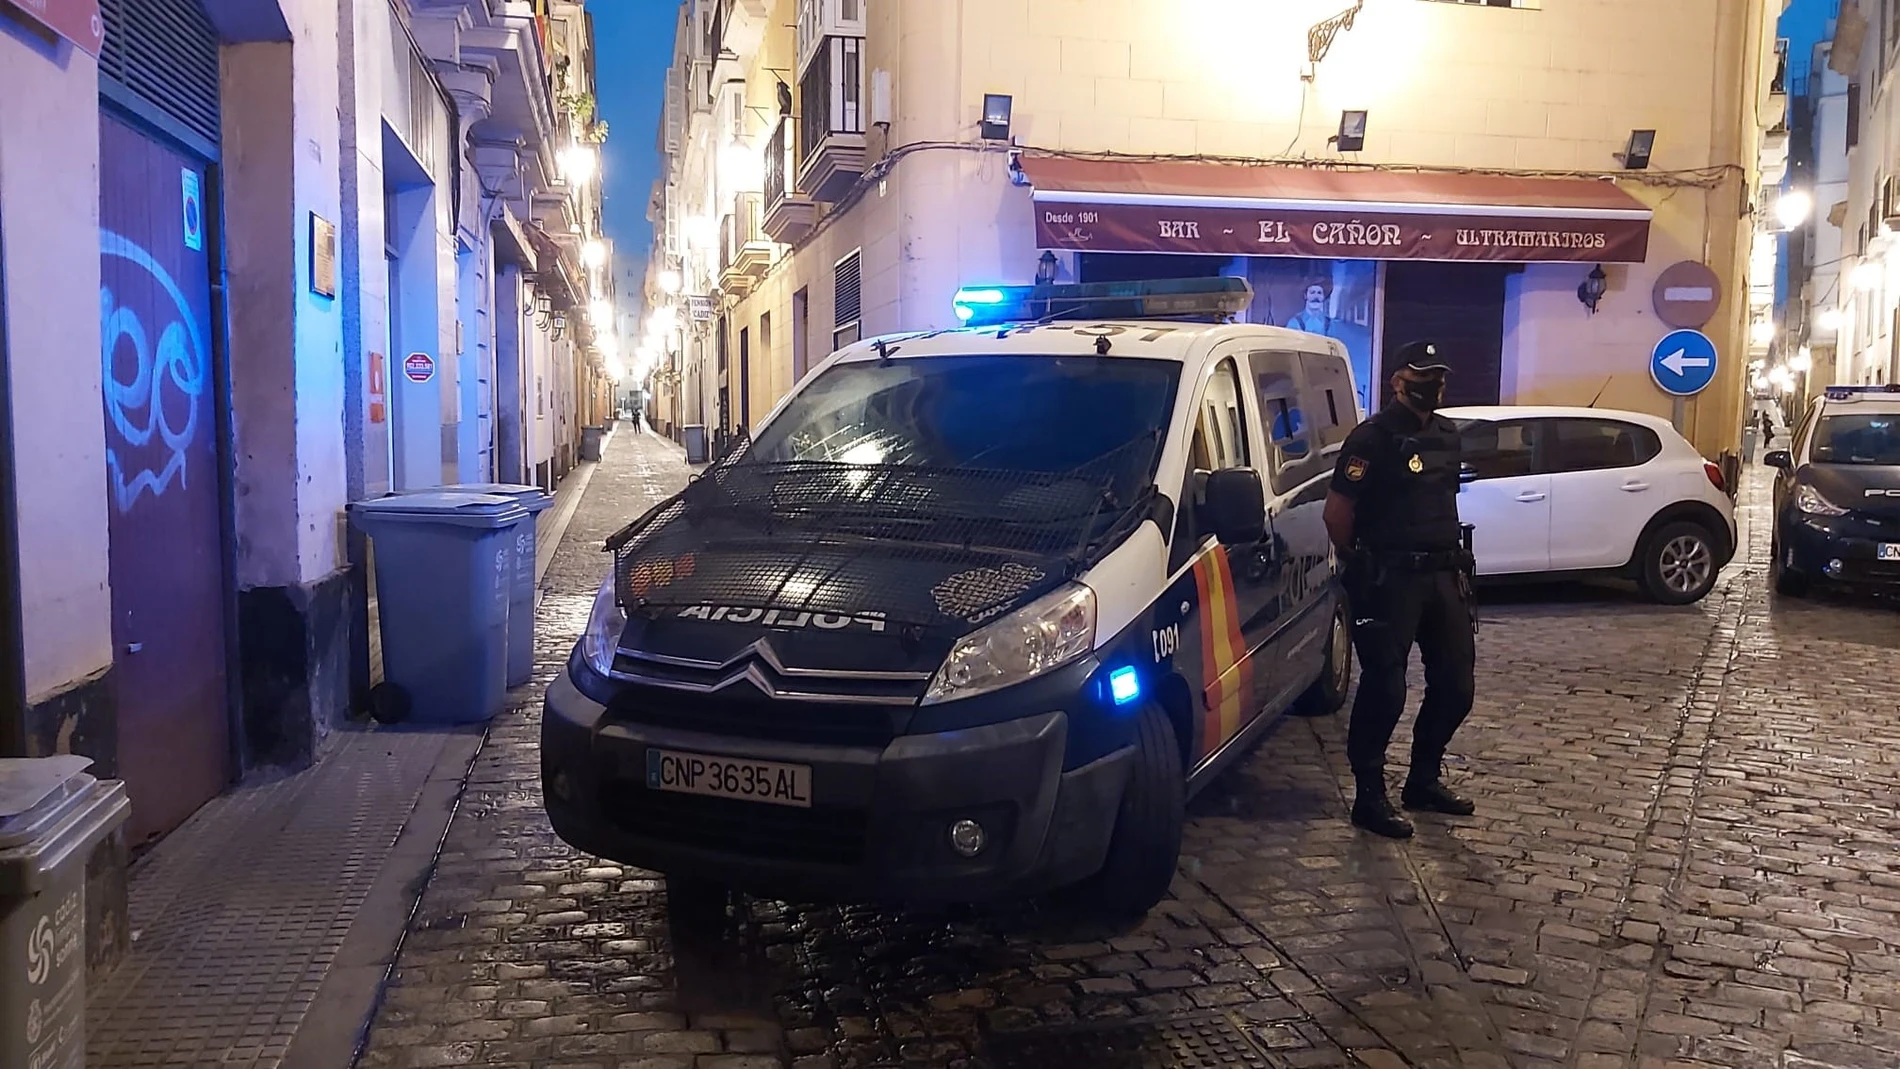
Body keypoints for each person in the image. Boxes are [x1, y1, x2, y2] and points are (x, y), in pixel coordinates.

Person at [1322, 343, 1477, 839]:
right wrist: (1360, 562)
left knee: (1456, 686)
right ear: (1397, 380)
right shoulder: (1372, 438)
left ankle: (1424, 780)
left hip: (1442, 575)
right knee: (1385, 688)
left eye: (1438, 374)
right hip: (1390, 579)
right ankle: (1369, 795)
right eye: (1422, 374)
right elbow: (1337, 512)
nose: (1433, 383)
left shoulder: (1448, 435)